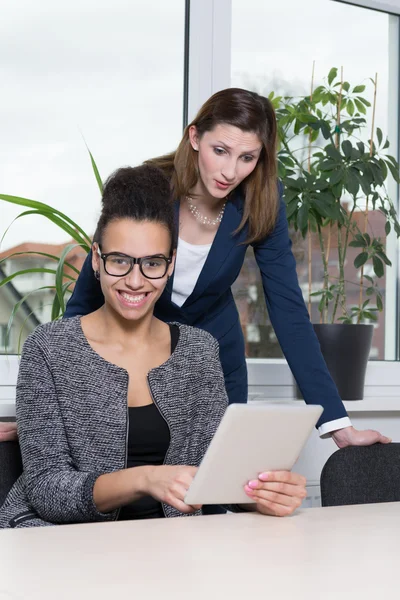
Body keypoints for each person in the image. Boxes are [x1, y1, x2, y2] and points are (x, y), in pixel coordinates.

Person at [0, 87, 389, 447]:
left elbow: (287, 307)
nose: (231, 171)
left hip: (215, 361)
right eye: (220, 150)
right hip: (139, 353)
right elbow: (89, 293)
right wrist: (44, 415)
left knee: (216, 492)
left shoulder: (262, 201)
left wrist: (338, 424)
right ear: (194, 137)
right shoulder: (149, 186)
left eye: (247, 157)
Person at [0, 165, 307, 528]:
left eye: (152, 263)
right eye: (119, 261)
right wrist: (145, 479)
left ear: (170, 263)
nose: (135, 281)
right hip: (60, 544)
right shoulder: (49, 349)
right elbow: (48, 491)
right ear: (97, 260)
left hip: (168, 548)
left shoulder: (199, 352)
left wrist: (262, 496)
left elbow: (213, 473)